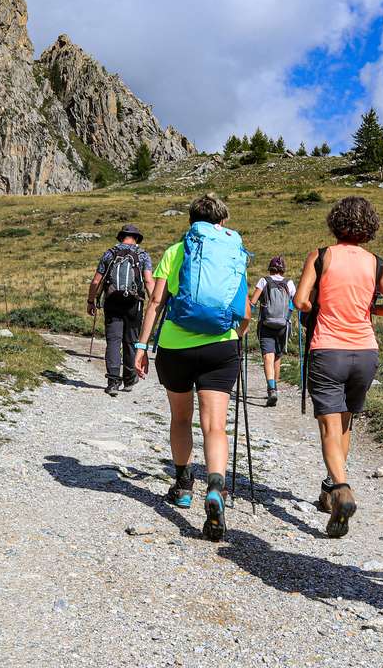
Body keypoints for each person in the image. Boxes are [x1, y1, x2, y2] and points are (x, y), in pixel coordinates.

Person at [133, 193, 250, 541]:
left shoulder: (175, 251)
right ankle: (216, 489)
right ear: (223, 222)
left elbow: (156, 301)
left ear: (192, 220)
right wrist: (236, 336)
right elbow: (244, 312)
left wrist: (141, 346)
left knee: (181, 418)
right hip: (220, 346)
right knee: (215, 426)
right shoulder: (234, 254)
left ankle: (183, 485)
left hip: (175, 347)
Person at [292, 196, 383, 538]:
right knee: (344, 423)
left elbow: (300, 300)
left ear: (335, 221)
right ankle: (330, 489)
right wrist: (371, 312)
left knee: (328, 427)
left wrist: (316, 306)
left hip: (328, 348)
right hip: (365, 351)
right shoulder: (377, 263)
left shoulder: (322, 255)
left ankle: (341, 489)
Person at [87, 224, 154, 396]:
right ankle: (130, 378)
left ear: (121, 237)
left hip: (112, 302)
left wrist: (91, 301)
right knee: (130, 341)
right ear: (137, 238)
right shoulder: (143, 255)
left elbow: (96, 281)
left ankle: (113, 382)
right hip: (134, 303)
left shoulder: (109, 254)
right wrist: (155, 303)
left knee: (114, 341)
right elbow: (148, 281)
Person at [247, 256, 296, 406]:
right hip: (283, 325)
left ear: (270, 268)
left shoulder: (264, 281)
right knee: (277, 357)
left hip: (266, 324)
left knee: (268, 356)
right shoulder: (289, 283)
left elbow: (253, 302)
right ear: (283, 269)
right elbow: (296, 301)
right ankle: (275, 389)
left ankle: (272, 389)